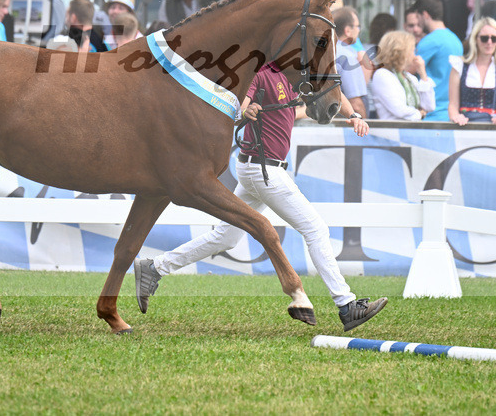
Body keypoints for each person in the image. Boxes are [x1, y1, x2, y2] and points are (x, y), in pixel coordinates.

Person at [133, 63, 387, 333]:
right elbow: (241, 101)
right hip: (263, 169)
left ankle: (155, 267)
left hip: (257, 168)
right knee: (315, 229)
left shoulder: (295, 73)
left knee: (226, 237)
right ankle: (347, 306)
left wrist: (354, 115)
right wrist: (246, 109)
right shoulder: (263, 72)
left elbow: (330, 89)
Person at [449, 18, 496, 125]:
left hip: (495, 127)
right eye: (484, 38)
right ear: (475, 39)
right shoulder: (459, 65)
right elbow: (452, 105)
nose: (489, 42)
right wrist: (456, 117)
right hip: (465, 125)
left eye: (494, 38)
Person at [413, 0, 464, 121]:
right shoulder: (456, 40)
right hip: (450, 113)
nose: (418, 25)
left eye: (418, 18)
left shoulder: (429, 41)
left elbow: (408, 69)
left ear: (425, 15)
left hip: (431, 113)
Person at [369, 31, 434, 121]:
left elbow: (429, 106)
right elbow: (399, 110)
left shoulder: (409, 78)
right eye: (412, 50)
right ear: (401, 51)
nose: (415, 55)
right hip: (391, 132)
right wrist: (419, 113)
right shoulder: (382, 75)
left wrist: (423, 75)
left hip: (411, 131)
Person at [332, 6, 368, 118]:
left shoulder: (322, 51)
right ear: (347, 30)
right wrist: (366, 127)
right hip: (345, 127)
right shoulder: (348, 57)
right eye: (358, 26)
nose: (359, 30)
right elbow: (356, 104)